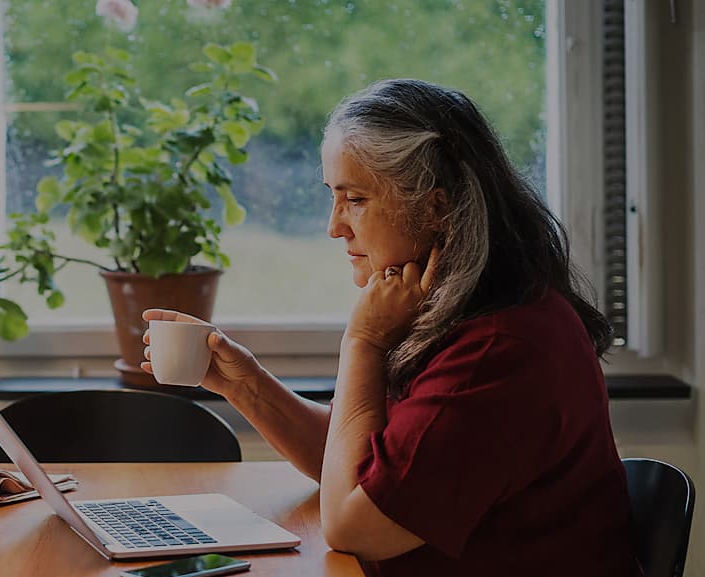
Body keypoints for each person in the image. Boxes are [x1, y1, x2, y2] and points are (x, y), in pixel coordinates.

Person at [141, 79, 639, 577]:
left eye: (354, 199)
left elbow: (352, 524)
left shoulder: (496, 353)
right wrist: (242, 383)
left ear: (437, 208)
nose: (334, 226)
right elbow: (356, 468)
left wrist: (363, 343)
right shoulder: (459, 313)